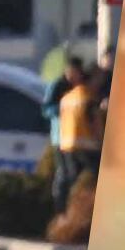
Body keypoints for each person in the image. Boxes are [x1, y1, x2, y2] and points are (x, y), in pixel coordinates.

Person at [54, 63, 105, 215]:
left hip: (66, 146)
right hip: (88, 147)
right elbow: (96, 125)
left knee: (71, 182)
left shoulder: (66, 98)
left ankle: (65, 213)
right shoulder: (89, 98)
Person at [43, 55, 87, 208]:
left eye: (78, 72)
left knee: (75, 174)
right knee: (63, 174)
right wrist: (63, 109)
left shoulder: (81, 86)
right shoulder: (57, 85)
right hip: (60, 138)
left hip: (78, 138)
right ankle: (59, 205)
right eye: (73, 71)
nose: (76, 75)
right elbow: (46, 109)